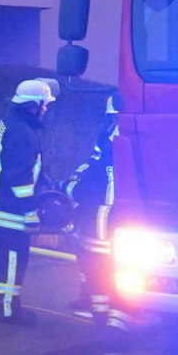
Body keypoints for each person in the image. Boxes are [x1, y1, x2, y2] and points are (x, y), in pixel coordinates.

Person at [0, 78, 55, 325]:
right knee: (13, 259)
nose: (46, 109)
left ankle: (2, 303)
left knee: (2, 259)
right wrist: (30, 210)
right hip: (9, 210)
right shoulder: (23, 132)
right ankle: (8, 310)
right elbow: (20, 175)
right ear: (34, 105)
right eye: (44, 104)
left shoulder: (12, 122)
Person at [64, 89, 130, 334]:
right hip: (117, 218)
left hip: (108, 218)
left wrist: (70, 188)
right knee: (108, 266)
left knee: (105, 265)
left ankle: (111, 319)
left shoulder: (113, 141)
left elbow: (93, 175)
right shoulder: (115, 139)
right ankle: (112, 319)